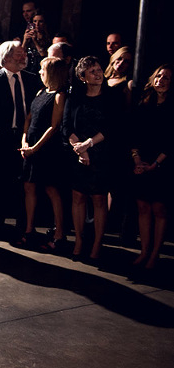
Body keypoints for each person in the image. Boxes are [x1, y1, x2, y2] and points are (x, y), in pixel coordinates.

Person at [62, 56, 120, 261]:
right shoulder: (74, 98)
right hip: (78, 154)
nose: (98, 74)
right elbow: (66, 127)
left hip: (102, 154)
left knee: (99, 199)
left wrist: (88, 145)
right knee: (78, 197)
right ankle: (79, 241)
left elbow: (112, 127)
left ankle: (97, 244)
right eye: (92, 71)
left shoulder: (112, 97)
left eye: (99, 69)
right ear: (82, 77)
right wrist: (81, 149)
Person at [0, 40, 40, 233]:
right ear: (6, 57)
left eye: (24, 53)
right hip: (1, 139)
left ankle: (23, 225)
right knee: (0, 182)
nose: (24, 57)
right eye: (19, 54)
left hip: (25, 138)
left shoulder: (32, 79)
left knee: (23, 184)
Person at [17, 57, 69, 250]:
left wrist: (35, 148)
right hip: (30, 146)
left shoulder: (60, 95)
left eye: (43, 70)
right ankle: (29, 231)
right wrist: (24, 141)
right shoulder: (41, 91)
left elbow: (54, 126)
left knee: (51, 189)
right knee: (29, 187)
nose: (39, 72)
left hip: (47, 149)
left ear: (53, 73)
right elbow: (29, 118)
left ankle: (59, 235)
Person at [129, 64, 171, 271]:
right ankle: (144, 251)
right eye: (158, 76)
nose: (160, 80)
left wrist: (155, 165)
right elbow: (133, 134)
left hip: (163, 164)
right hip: (142, 162)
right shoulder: (143, 103)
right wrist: (137, 160)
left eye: (166, 78)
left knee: (158, 209)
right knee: (143, 207)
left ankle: (155, 254)